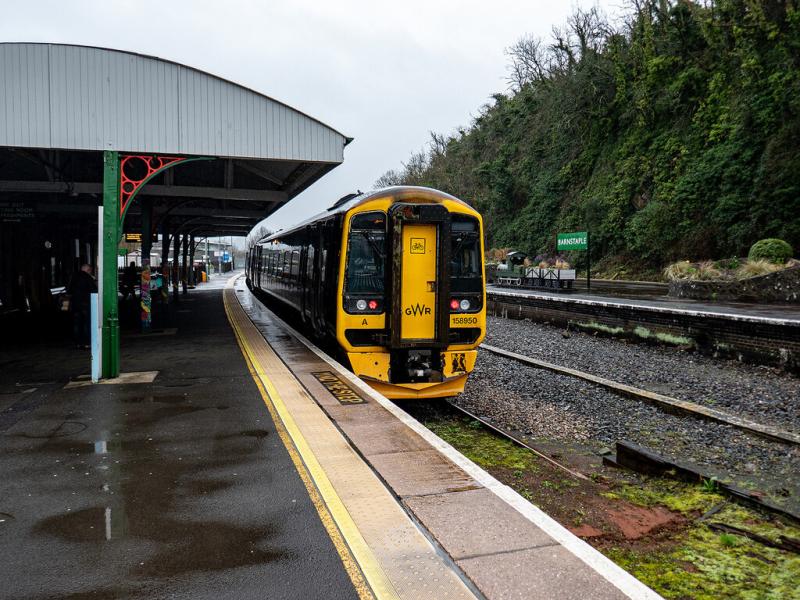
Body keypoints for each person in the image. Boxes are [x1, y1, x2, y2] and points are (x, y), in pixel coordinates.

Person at [67, 264, 97, 349]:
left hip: (75, 304)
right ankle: (86, 343)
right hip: (85, 304)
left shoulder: (74, 277)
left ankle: (78, 343)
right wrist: (93, 280)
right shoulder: (88, 277)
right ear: (88, 270)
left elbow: (69, 290)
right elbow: (94, 290)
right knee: (86, 323)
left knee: (77, 323)